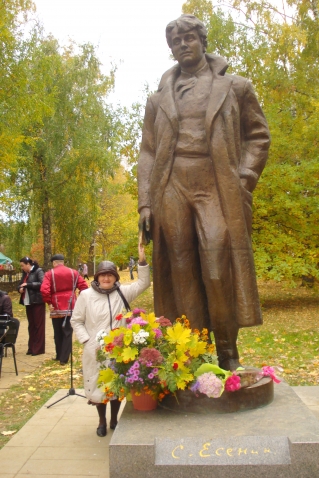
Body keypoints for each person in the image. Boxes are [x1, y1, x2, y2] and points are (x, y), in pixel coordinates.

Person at [138, 14, 271, 371]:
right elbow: (148, 151)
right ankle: (193, 353)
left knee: (217, 265)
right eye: (176, 42)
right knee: (181, 272)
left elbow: (258, 136)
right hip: (171, 185)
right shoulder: (157, 99)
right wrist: (146, 202)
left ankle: (227, 350)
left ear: (202, 41)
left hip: (216, 184)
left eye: (189, 38)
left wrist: (243, 179)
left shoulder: (235, 87)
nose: (182, 45)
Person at [71, 243, 150, 437]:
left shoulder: (122, 292)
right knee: (98, 386)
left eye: (110, 274)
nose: (106, 278)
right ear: (97, 277)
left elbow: (143, 283)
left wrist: (142, 260)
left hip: (118, 350)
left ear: (115, 276)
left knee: (116, 385)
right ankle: (101, 421)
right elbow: (76, 320)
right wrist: (86, 340)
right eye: (102, 275)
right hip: (95, 350)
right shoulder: (86, 296)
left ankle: (115, 419)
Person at [40, 254, 88, 365]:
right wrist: (79, 299)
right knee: (67, 332)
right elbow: (84, 287)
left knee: (57, 332)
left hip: (56, 306)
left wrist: (49, 302)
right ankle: (64, 358)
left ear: (54, 263)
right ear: (63, 262)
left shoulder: (49, 274)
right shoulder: (74, 272)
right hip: (70, 305)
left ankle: (58, 354)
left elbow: (44, 290)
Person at [18, 257, 45, 355]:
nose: (22, 268)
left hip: (37, 301)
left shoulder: (38, 271)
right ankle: (31, 347)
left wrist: (28, 285)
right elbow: (20, 284)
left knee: (38, 325)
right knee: (31, 325)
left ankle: (38, 349)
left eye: (23, 266)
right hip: (28, 301)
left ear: (28, 264)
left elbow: (42, 284)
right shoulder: (25, 274)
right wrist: (20, 288)